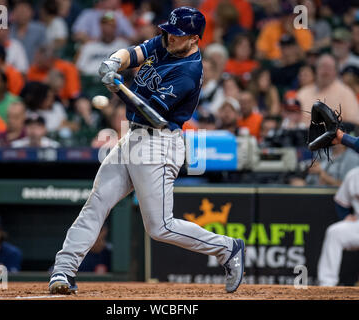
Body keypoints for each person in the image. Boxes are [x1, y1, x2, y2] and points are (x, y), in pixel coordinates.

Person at [49, 7, 245, 295]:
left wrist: (118, 88)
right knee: (97, 202)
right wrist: (113, 62)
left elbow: (152, 112)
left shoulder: (188, 71)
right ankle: (63, 271)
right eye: (168, 31)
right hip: (134, 137)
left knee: (160, 227)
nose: (168, 37)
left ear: (194, 39)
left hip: (159, 143)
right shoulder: (167, 43)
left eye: (177, 34)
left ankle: (227, 248)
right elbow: (134, 52)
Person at [317, 131, 359, 286]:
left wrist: (342, 137)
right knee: (334, 232)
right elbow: (341, 201)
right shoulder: (355, 174)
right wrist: (345, 216)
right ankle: (326, 284)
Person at [297, 54, 359, 127]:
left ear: (336, 72)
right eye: (323, 67)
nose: (325, 72)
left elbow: (355, 123)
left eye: (329, 68)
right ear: (316, 70)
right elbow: (291, 119)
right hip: (305, 135)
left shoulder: (346, 93)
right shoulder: (303, 93)